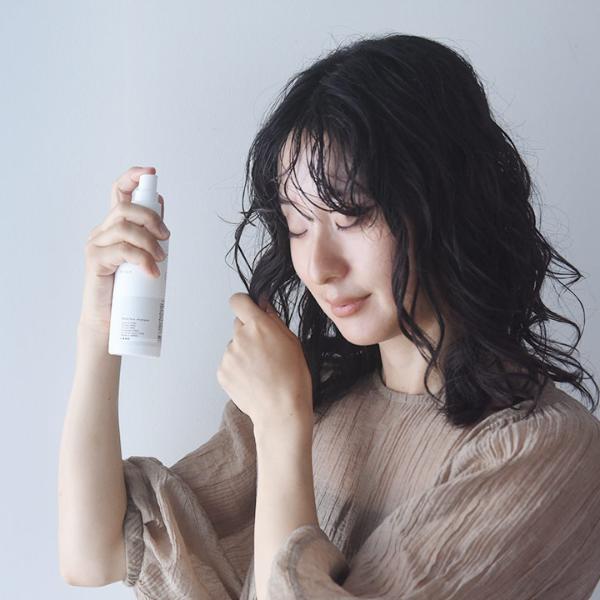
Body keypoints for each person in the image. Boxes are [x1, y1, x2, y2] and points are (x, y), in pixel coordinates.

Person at [58, 33, 600, 599]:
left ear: (444, 202)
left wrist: (281, 429)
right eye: (297, 225)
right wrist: (98, 327)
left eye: (351, 216)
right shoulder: (318, 394)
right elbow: (93, 552)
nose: (318, 266)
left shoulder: (546, 450)